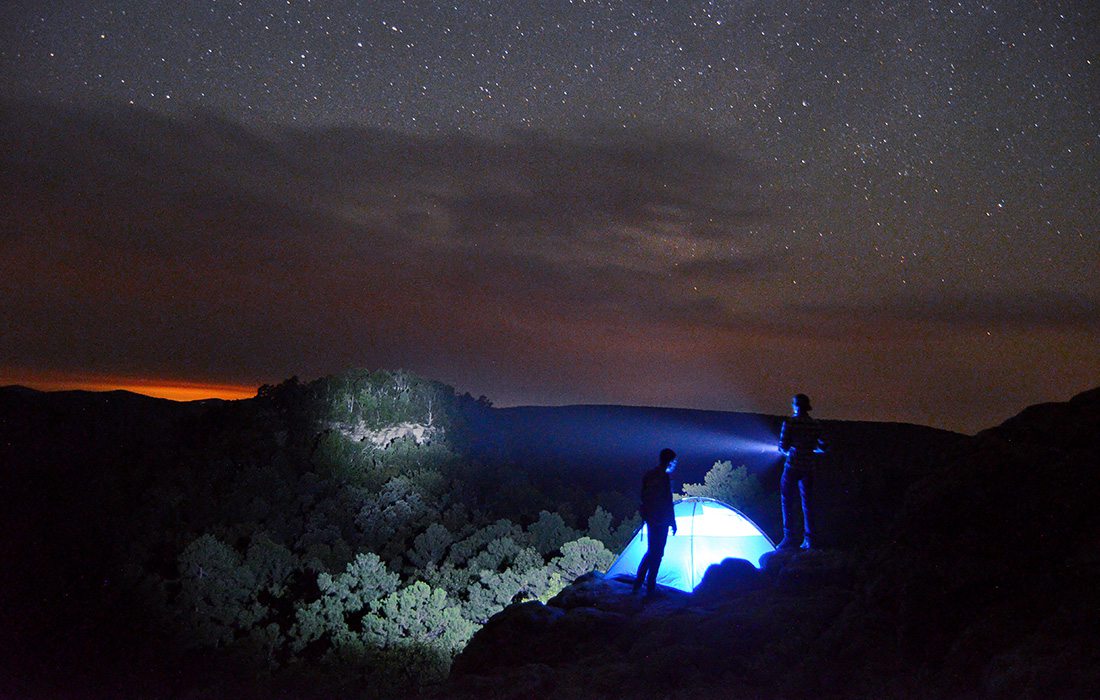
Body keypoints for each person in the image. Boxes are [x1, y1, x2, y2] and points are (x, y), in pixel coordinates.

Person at [777, 393, 826, 550]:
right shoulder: (816, 424)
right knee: (808, 503)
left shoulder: (790, 423)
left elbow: (783, 447)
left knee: (787, 501)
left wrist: (790, 451)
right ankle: (810, 539)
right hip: (809, 467)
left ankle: (789, 538)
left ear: (795, 406)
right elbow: (823, 446)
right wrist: (809, 449)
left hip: (792, 466)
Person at [633, 448, 678, 597]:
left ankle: (639, 583)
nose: (675, 464)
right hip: (661, 519)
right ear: (670, 461)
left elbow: (643, 496)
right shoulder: (664, 478)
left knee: (652, 551)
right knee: (657, 553)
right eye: (674, 461)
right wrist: (672, 521)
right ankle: (650, 586)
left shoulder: (649, 475)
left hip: (651, 519)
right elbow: (668, 501)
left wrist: (646, 515)